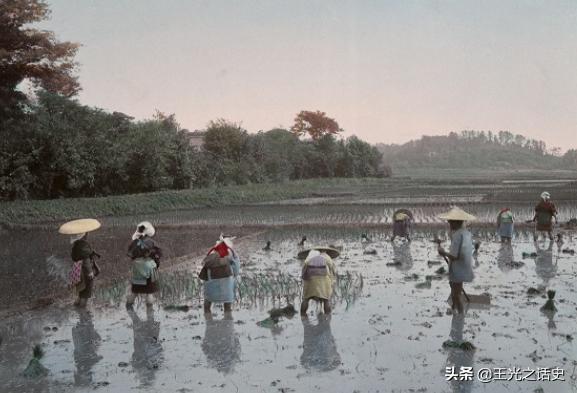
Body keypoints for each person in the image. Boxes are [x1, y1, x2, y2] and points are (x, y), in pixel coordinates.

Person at [436, 207, 476, 315]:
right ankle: (455, 311)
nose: (449, 224)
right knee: (456, 291)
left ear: (455, 223)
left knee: (456, 295)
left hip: (458, 268)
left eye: (450, 222)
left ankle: (460, 317)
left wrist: (442, 252)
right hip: (465, 266)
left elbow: (454, 256)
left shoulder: (458, 236)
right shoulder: (465, 233)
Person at [58, 218, 102, 308]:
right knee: (85, 294)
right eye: (86, 233)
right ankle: (82, 313)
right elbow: (86, 260)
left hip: (79, 271)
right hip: (85, 272)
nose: (88, 234)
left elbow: (77, 257)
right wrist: (90, 272)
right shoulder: (83, 246)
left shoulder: (76, 245)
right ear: (83, 235)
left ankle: (76, 306)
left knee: (81, 291)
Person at [199, 235, 241, 313]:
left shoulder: (212, 251)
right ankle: (227, 319)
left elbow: (204, 264)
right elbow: (236, 267)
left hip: (211, 279)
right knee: (227, 301)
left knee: (208, 301)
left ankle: (208, 319)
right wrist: (234, 275)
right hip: (226, 280)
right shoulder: (231, 252)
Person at [126, 221, 162, 307]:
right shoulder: (152, 242)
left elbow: (130, 255)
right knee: (149, 292)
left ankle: (128, 306)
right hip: (150, 268)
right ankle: (150, 314)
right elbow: (159, 254)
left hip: (137, 269)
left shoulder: (134, 243)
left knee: (135, 290)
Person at [300, 247, 338, 315]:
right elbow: (332, 268)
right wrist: (332, 280)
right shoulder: (326, 257)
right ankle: (327, 316)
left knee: (306, 299)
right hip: (323, 281)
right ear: (324, 251)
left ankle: (303, 316)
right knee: (326, 300)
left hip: (310, 280)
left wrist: (304, 278)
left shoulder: (310, 256)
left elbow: (304, 268)